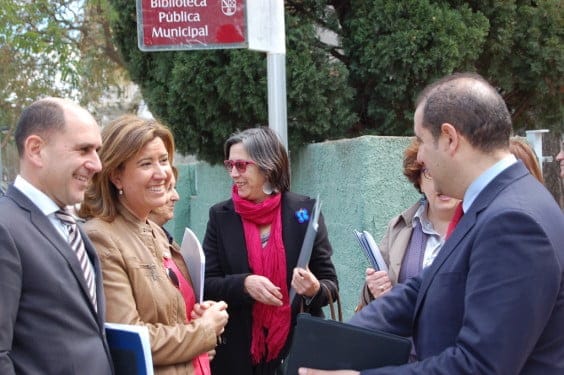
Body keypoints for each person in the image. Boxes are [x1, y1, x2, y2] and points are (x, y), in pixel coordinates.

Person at [300, 72, 564, 375]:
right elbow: (423, 287)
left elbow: (480, 367)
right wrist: (337, 341)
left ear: (450, 139)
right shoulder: (493, 203)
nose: (420, 157)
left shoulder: (514, 222)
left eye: (421, 141)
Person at [78, 114, 228, 375]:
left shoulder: (155, 230)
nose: (162, 174)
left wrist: (199, 315)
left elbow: (168, 315)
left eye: (164, 161)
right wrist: (203, 331)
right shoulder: (101, 238)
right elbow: (131, 340)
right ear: (116, 176)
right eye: (146, 163)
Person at [203, 126, 339, 375]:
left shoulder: (304, 212)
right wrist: (245, 285)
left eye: (241, 165)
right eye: (229, 165)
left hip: (295, 352)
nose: (233, 173)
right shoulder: (220, 217)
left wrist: (313, 289)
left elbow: (331, 285)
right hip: (237, 355)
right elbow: (206, 284)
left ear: (268, 167)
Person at [0, 98, 113, 374]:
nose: (97, 164)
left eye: (97, 151)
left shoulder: (70, 225)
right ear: (36, 150)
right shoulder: (5, 228)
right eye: (84, 149)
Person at [356, 138, 460, 311]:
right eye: (431, 172)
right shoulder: (399, 227)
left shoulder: (480, 226)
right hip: (404, 337)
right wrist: (373, 288)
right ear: (418, 179)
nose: (441, 182)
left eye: (450, 171)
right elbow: (370, 303)